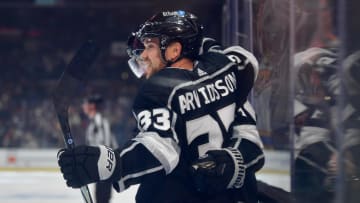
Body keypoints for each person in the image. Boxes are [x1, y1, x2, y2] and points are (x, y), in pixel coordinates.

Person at [57, 10, 264, 203]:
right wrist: (232, 160)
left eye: (150, 46)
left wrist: (110, 163)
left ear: (174, 50)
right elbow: (250, 142)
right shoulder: (228, 69)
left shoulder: (158, 89)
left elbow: (159, 149)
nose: (143, 56)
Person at [82, 94, 118, 203]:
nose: (83, 106)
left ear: (92, 106)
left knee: (101, 198)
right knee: (101, 198)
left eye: (85, 104)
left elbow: (106, 144)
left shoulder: (99, 121)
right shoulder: (96, 121)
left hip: (105, 166)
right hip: (103, 166)